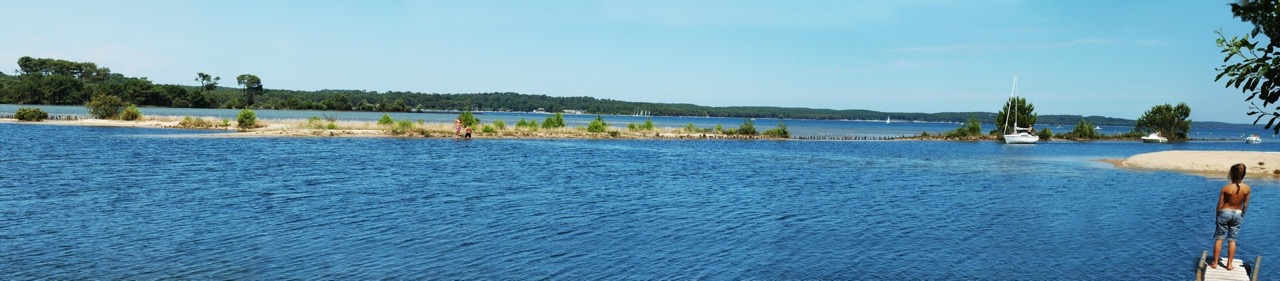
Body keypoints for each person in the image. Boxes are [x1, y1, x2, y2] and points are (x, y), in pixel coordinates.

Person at [1209, 163, 1252, 270]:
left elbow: (1219, 204)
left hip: (1225, 212)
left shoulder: (1226, 188)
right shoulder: (1247, 188)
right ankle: (1229, 264)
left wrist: (1217, 216)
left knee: (1219, 239)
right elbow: (1246, 204)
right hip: (1237, 213)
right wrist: (1242, 214)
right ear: (1244, 175)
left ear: (1231, 174)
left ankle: (1215, 263)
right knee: (1232, 240)